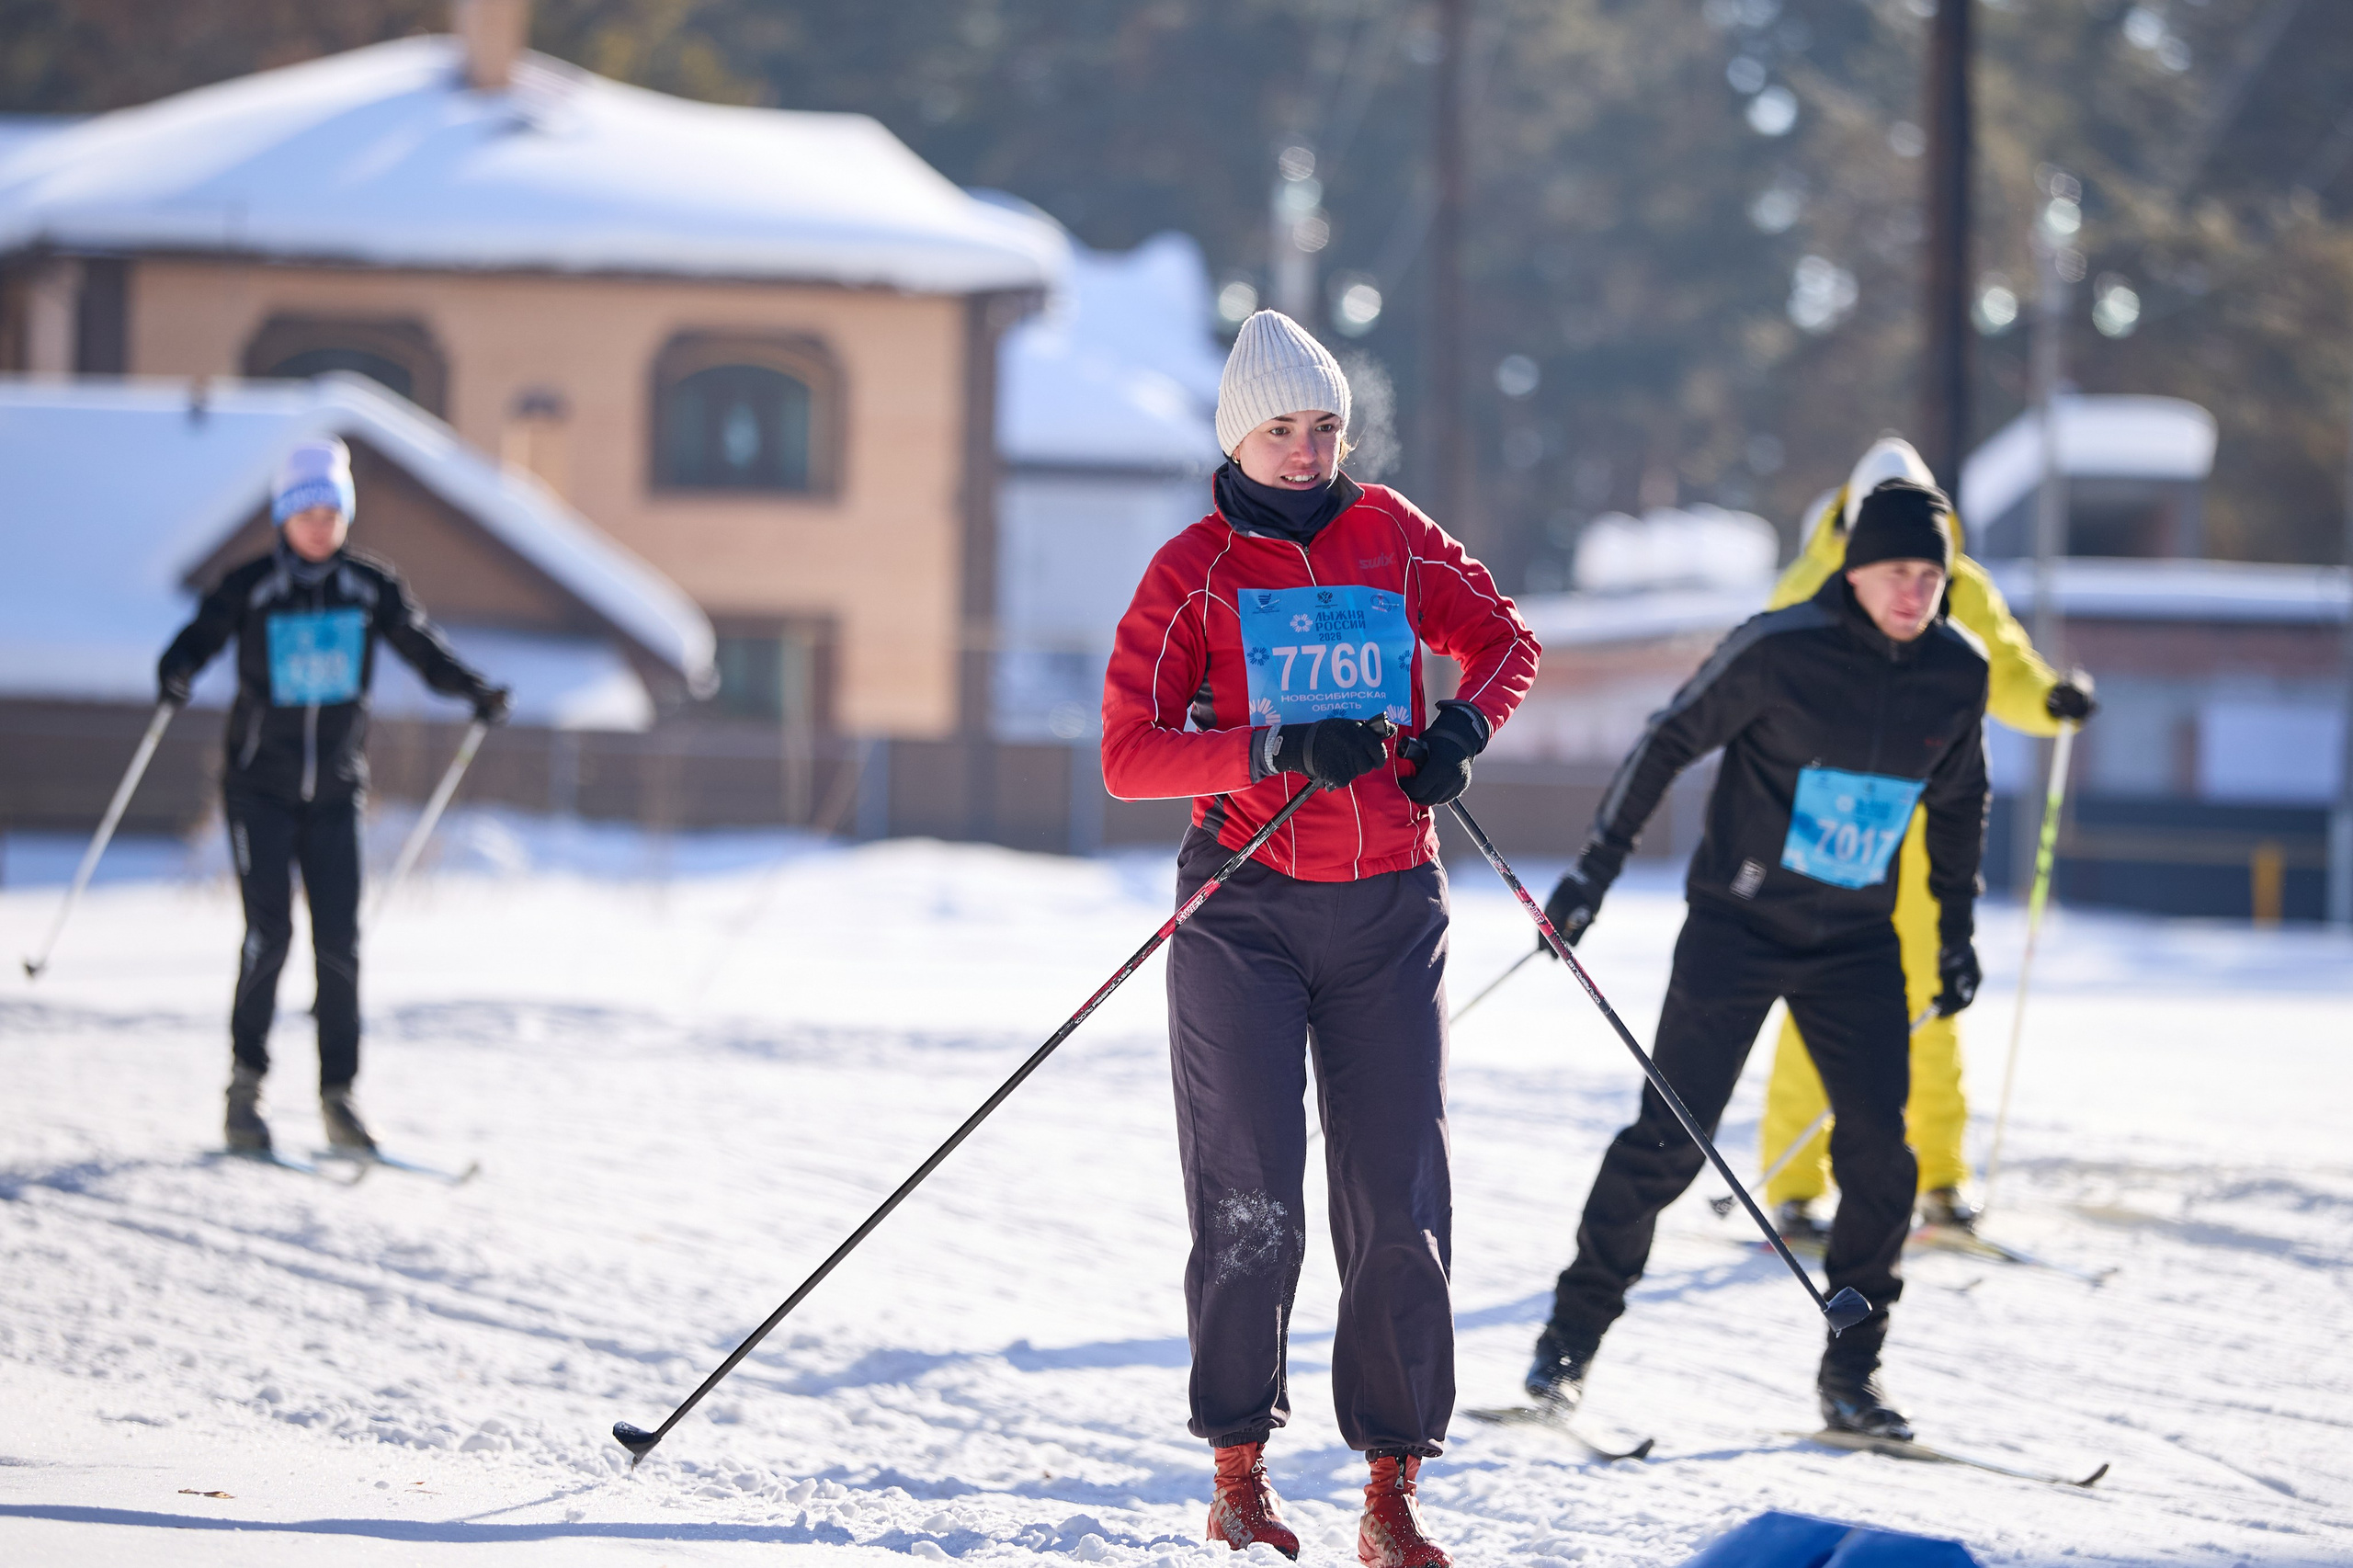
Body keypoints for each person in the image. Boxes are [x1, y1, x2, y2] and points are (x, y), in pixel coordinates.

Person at [1101, 311, 1539, 1567]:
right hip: (1243, 905)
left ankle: (1392, 1490)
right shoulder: (1193, 569)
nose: (1308, 449)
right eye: (1283, 428)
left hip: (1391, 904)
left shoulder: (1392, 536)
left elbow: (1506, 641)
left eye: (1327, 426)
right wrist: (1274, 745)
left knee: (1398, 1197)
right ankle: (1238, 1471)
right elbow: (1130, 754)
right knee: (1250, 1196)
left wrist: (1458, 733)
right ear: (1240, 434)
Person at [1525, 477, 1989, 1442]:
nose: (1914, 591)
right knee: (1669, 1141)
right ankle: (1568, 1344)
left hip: (1855, 940)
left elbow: (1956, 801)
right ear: (1856, 571)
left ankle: (1851, 1375)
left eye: (1931, 575)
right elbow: (1665, 740)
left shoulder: (1958, 669)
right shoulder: (1776, 647)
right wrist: (1592, 873)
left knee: (1879, 1155)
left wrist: (1952, 932)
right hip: (1736, 926)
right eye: (1896, 570)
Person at [1756, 438, 2097, 1241]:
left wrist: (2053, 701)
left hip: (1925, 817)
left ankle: (1940, 1176)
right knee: (1823, 997)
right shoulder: (1816, 581)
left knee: (1932, 997)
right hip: (1834, 820)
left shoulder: (1956, 583)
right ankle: (1795, 1182)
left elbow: (2005, 666)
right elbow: (1762, 674)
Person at [157, 437, 509, 1159]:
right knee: (270, 936)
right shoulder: (252, 585)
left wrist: (473, 688)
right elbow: (200, 635)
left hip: (337, 792)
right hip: (260, 789)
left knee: (340, 942)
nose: (320, 525)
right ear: (285, 516)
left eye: (332, 512)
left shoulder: (369, 588)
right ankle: (245, 1091)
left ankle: (338, 1096)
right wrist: (176, 669)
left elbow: (421, 646)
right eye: (306, 511)